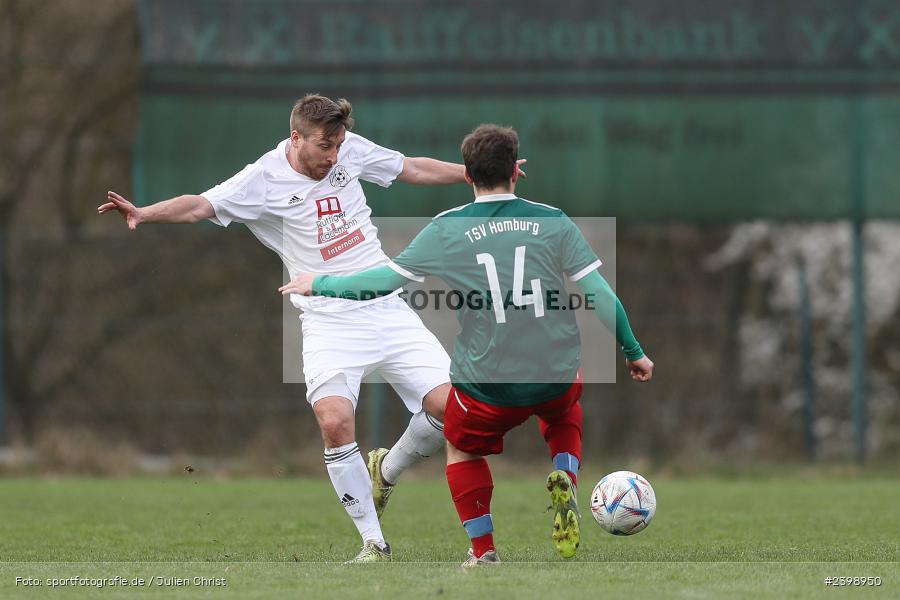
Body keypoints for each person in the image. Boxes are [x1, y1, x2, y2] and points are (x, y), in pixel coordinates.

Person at [98, 95, 524, 563]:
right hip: (326, 321)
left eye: (339, 144)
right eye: (326, 145)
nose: (334, 156)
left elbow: (410, 169)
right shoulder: (262, 178)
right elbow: (201, 205)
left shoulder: (349, 149)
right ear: (296, 137)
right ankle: (373, 543)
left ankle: (388, 468)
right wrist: (145, 212)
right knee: (335, 422)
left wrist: (473, 177)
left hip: (386, 309)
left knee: (456, 413)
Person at [281, 124, 654, 566]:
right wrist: (633, 351)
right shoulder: (553, 220)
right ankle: (565, 474)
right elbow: (600, 296)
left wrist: (319, 282)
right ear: (516, 170)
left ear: (468, 174)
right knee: (565, 406)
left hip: (487, 384)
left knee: (460, 445)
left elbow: (381, 282)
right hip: (554, 371)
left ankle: (484, 552)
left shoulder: (446, 229)